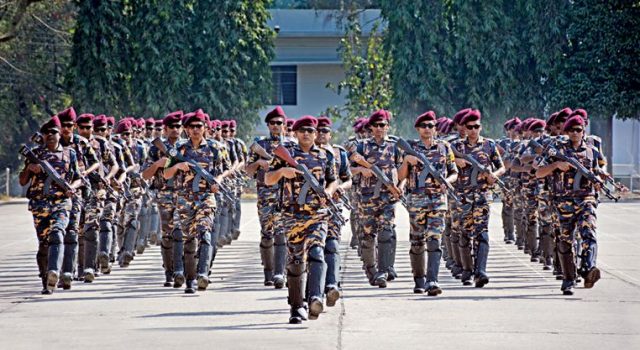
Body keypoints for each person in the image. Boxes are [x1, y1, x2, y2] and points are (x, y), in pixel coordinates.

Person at [265, 116, 338, 323]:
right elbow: (267, 179)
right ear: (295, 134)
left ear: (316, 134)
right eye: (301, 130)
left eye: (310, 130)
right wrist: (282, 171)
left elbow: (333, 181)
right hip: (292, 215)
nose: (306, 133)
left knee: (317, 253)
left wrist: (328, 192)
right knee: (296, 262)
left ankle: (315, 297)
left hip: (317, 214)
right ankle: (297, 307)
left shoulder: (326, 156)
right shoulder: (285, 155)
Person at [164, 109, 230, 293]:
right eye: (192, 126)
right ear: (186, 129)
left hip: (206, 197)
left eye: (199, 126)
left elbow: (226, 169)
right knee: (188, 239)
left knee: (205, 232)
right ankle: (190, 279)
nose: (195, 129)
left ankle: (203, 274)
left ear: (205, 128)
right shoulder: (179, 150)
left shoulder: (215, 148)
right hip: (184, 198)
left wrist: (218, 180)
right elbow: (166, 174)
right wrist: (178, 165)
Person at [535, 115, 602, 295]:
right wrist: (557, 164)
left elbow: (597, 172)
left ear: (583, 131)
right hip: (562, 202)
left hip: (585, 199)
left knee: (589, 232)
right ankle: (568, 278)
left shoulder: (592, 151)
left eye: (578, 130)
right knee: (564, 241)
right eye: (571, 130)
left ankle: (588, 269)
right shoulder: (556, 149)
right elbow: (539, 173)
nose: (574, 133)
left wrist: (598, 182)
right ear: (565, 131)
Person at [19, 116, 82, 294]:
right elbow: (23, 181)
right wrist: (29, 168)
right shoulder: (36, 154)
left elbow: (78, 178)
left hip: (62, 202)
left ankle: (54, 271)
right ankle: (46, 278)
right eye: (46, 133)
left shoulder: (70, 154)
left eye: (54, 132)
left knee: (57, 234)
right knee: (44, 244)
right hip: (40, 205)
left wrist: (72, 188)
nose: (50, 135)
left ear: (60, 133)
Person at [398, 111, 458, 295]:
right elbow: (400, 176)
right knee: (417, 241)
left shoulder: (444, 147)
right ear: (417, 129)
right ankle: (419, 279)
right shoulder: (409, 148)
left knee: (434, 240)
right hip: (416, 200)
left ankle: (432, 280)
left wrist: (447, 181)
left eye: (431, 126)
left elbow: (454, 172)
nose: (427, 129)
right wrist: (407, 162)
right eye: (424, 126)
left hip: (438, 201)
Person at [451, 109, 505, 287]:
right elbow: (444, 163)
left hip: (482, 194)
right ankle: (467, 269)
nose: (473, 130)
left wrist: (494, 176)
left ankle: (480, 271)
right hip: (463, 195)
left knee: (482, 233)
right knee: (465, 232)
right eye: (470, 127)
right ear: (464, 128)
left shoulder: (489, 145)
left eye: (476, 126)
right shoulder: (456, 147)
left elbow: (501, 167)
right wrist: (455, 162)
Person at [350, 110, 403, 288]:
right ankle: (371, 269)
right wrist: (362, 170)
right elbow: (348, 170)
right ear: (371, 127)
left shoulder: (395, 147)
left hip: (388, 197)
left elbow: (403, 171)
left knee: (386, 231)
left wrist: (399, 188)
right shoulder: (361, 147)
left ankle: (383, 270)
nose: (380, 128)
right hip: (367, 196)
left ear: (388, 127)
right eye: (376, 125)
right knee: (367, 236)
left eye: (383, 125)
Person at [245, 107, 288, 288]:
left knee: (282, 234)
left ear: (284, 124)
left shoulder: (291, 145)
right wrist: (258, 163)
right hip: (265, 195)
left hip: (286, 195)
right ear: (268, 125)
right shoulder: (260, 145)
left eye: (279, 123)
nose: (276, 126)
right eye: (273, 123)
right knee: (267, 235)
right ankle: (268, 272)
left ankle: (279, 273)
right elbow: (247, 171)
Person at [142, 110, 184, 287]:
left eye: (178, 126)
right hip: (164, 194)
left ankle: (180, 271)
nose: (175, 129)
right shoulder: (155, 148)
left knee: (180, 232)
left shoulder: (186, 147)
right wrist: (157, 164)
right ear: (165, 129)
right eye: (172, 127)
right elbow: (145, 174)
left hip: (184, 195)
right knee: (167, 235)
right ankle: (169, 272)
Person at [315, 116, 352, 306]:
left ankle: (331, 285)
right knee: (314, 251)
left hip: (333, 207)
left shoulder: (339, 154)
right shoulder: (304, 153)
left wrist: (341, 187)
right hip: (310, 209)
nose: (321, 134)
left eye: (325, 131)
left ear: (330, 134)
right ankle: (314, 292)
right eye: (318, 130)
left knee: (332, 246)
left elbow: (348, 179)